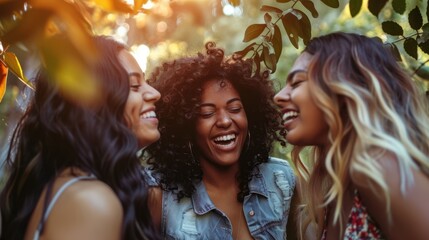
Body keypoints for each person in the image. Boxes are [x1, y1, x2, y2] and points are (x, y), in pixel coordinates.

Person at [0, 35, 161, 240]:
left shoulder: (73, 186)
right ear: (93, 104)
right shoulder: (90, 201)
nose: (155, 93)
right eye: (135, 86)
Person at [274, 32, 429, 240]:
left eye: (297, 82)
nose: (278, 96)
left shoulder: (379, 170)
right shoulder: (336, 189)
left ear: (344, 88)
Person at [144, 42, 296, 239]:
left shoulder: (280, 179)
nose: (225, 121)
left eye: (235, 109)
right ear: (185, 124)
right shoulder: (158, 196)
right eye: (207, 113)